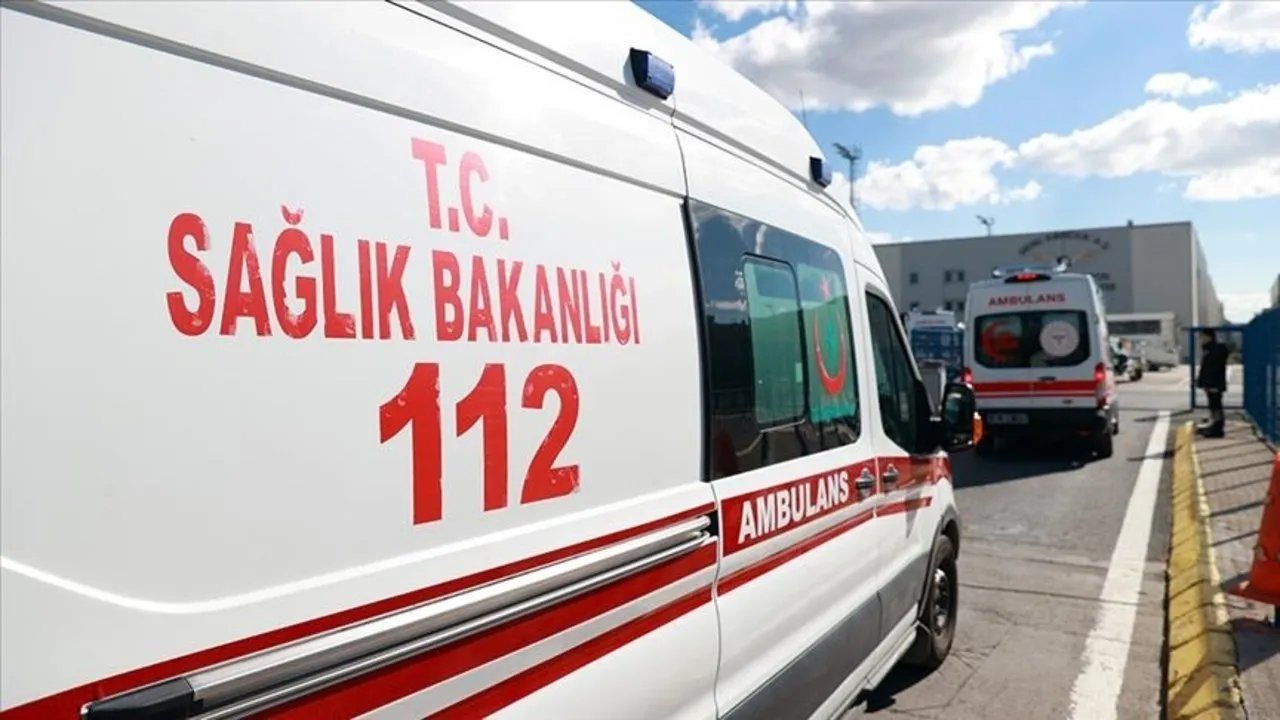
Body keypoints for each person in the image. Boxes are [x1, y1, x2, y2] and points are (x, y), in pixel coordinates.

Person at [1196, 329, 1228, 438]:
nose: (1201, 339)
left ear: (1208, 336)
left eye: (1202, 337)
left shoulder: (1214, 350)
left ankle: (1217, 429)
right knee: (1213, 405)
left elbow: (1212, 368)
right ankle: (1215, 426)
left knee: (1216, 406)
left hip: (1214, 383)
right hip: (1212, 383)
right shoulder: (1209, 349)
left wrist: (1209, 383)